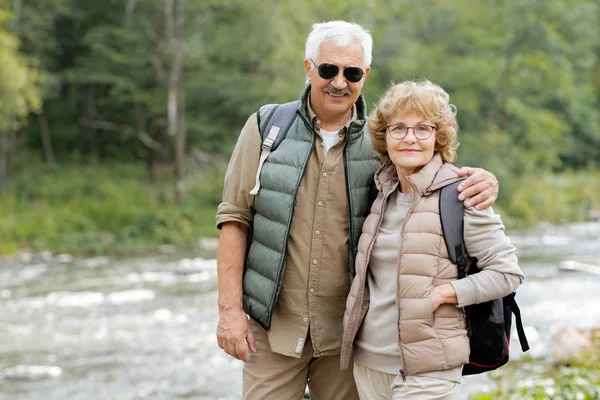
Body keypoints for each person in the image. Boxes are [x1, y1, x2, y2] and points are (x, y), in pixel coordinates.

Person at [215, 21, 499, 400]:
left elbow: (431, 176)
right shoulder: (266, 128)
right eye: (328, 69)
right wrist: (229, 312)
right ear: (308, 68)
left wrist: (483, 179)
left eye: (351, 72)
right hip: (274, 330)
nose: (338, 82)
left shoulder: (384, 141)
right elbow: (235, 219)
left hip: (350, 339)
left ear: (364, 75)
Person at [340, 80, 525, 400]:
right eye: (398, 128)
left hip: (429, 370)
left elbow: (508, 273)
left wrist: (448, 292)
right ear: (384, 137)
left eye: (422, 128)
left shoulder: (462, 194)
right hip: (368, 363)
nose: (410, 137)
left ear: (438, 137)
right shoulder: (378, 193)